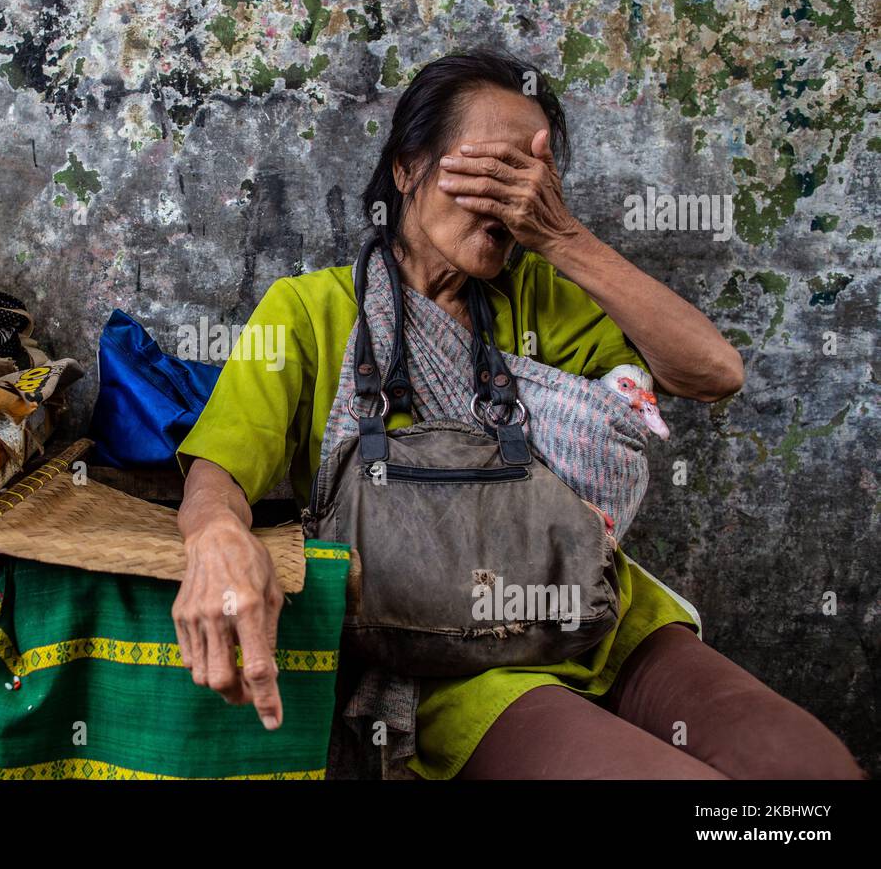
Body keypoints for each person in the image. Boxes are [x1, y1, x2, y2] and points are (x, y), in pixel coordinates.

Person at [172, 50, 865, 779]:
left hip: (592, 616)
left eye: (529, 181)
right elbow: (219, 473)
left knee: (812, 773)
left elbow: (714, 373)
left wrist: (563, 239)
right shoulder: (311, 310)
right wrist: (217, 532)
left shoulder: (535, 298)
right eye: (489, 172)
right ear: (410, 166)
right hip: (444, 652)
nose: (509, 202)